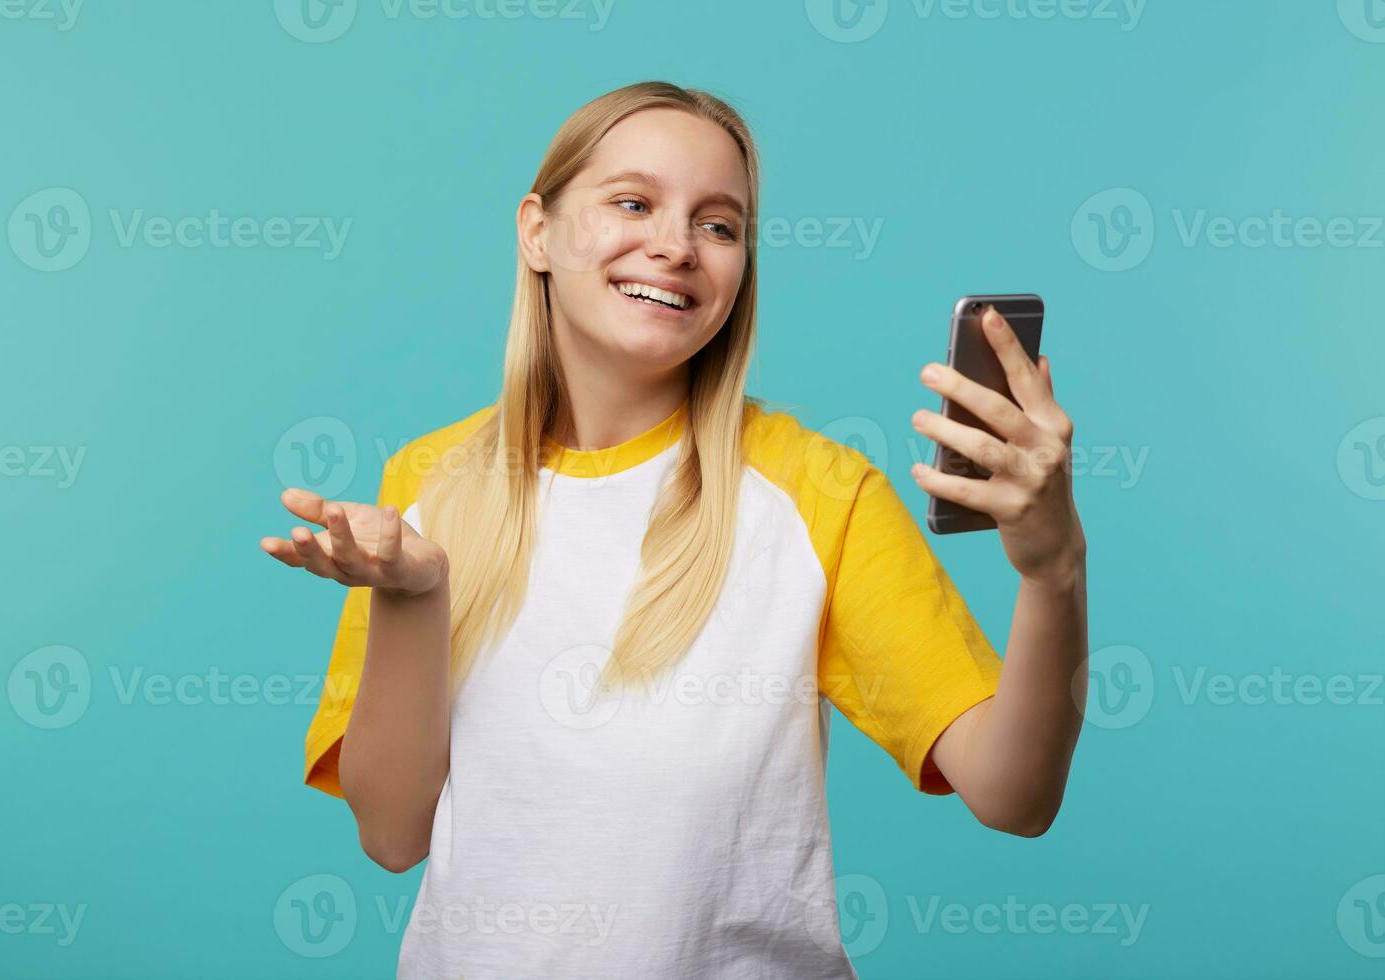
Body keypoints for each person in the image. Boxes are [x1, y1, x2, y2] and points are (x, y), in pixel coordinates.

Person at [261, 80, 1089, 980]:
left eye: (719, 225)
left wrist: (1054, 572)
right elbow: (391, 836)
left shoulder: (820, 492)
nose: (675, 246)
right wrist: (414, 595)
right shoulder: (427, 484)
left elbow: (1016, 795)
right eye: (633, 202)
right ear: (537, 231)